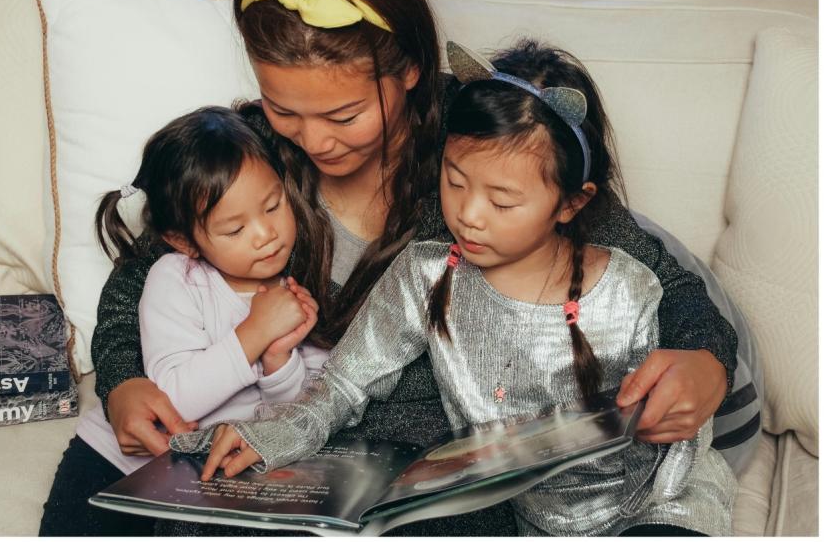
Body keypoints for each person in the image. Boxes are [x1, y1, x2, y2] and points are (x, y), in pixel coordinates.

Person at [47, 0, 757, 536]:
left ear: (411, 70)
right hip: (298, 423)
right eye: (284, 108)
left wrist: (703, 357)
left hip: (425, 453)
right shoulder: (257, 145)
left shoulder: (476, 136)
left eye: (345, 115)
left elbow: (650, 268)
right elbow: (149, 260)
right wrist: (123, 377)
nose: (313, 140)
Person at [173, 40, 737, 536]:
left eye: (503, 201)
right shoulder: (425, 275)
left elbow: (676, 447)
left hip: (659, 505)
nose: (468, 215)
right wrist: (274, 435)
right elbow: (344, 384)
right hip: (530, 517)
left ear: (572, 202)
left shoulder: (630, 290)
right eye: (454, 180)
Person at [39, 107, 328, 535]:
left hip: (201, 467)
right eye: (235, 229)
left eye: (272, 206)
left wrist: (278, 359)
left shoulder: (295, 288)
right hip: (116, 459)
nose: (266, 234)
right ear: (183, 241)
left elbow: (294, 410)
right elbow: (173, 398)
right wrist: (253, 334)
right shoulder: (176, 278)